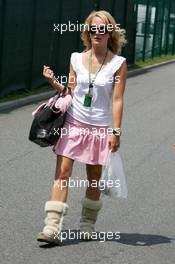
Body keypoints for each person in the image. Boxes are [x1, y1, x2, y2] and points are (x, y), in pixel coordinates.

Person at [37, 10, 127, 244]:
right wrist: (54, 83)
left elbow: (117, 99)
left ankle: (87, 224)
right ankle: (52, 227)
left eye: (103, 29)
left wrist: (115, 131)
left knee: (94, 176)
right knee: (63, 172)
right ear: (88, 32)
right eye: (93, 29)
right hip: (74, 124)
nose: (97, 33)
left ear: (110, 33)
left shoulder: (118, 64)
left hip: (99, 128)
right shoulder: (76, 58)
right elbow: (71, 91)